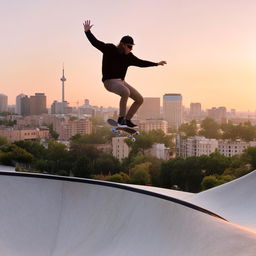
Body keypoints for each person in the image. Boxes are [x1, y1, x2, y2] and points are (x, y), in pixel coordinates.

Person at [83, 20, 167, 128]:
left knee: (139, 99)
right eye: (129, 46)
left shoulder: (129, 57)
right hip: (109, 82)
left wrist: (156, 64)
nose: (131, 49)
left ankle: (127, 120)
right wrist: (87, 32)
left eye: (132, 46)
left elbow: (140, 62)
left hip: (121, 82)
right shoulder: (110, 49)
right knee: (125, 92)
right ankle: (121, 119)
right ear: (122, 45)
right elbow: (96, 43)